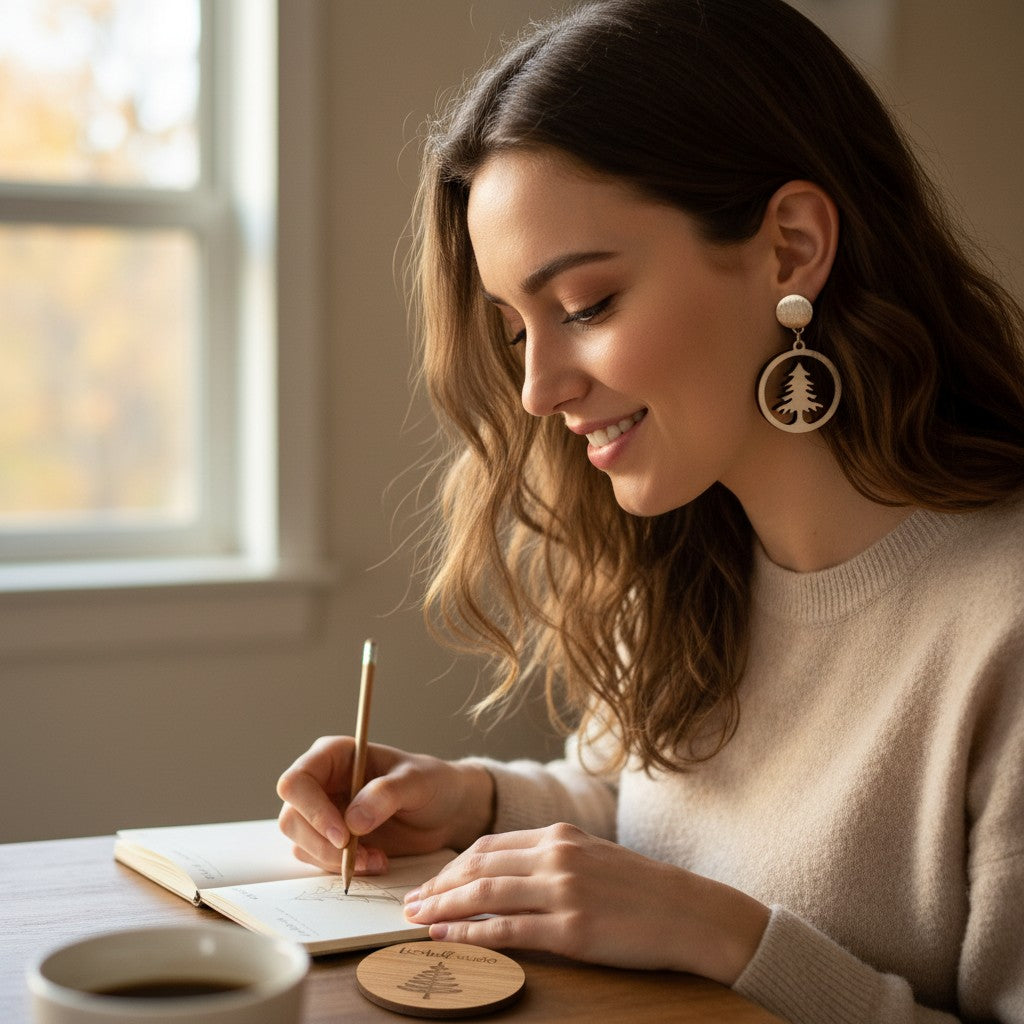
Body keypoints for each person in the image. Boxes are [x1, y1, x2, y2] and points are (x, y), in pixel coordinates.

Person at [276, 1, 1024, 1020]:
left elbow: (700, 890)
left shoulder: (1000, 627)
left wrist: (727, 936)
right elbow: (656, 812)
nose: (537, 389)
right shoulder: (690, 552)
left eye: (583, 305)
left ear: (791, 250)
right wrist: (477, 801)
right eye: (513, 330)